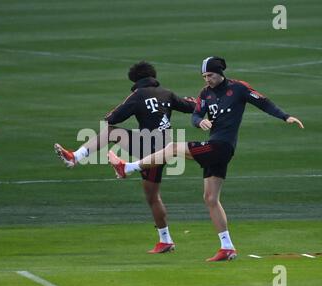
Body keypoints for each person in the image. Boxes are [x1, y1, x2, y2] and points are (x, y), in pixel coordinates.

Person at [109, 56, 304, 261]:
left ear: (220, 72)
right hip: (215, 146)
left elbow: (264, 103)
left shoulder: (239, 88)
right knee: (210, 198)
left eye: (210, 75)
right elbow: (195, 115)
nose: (207, 79)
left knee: (173, 148)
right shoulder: (205, 93)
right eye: (204, 76)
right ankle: (227, 247)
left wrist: (285, 116)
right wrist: (199, 121)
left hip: (222, 146)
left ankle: (128, 168)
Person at [55, 61, 195, 253]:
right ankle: (165, 241)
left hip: (147, 147)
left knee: (111, 132)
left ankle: (75, 157)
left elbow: (112, 119)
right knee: (153, 196)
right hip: (165, 149)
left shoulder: (137, 96)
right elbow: (190, 107)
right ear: (153, 77)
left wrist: (111, 114)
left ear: (135, 80)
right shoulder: (167, 93)